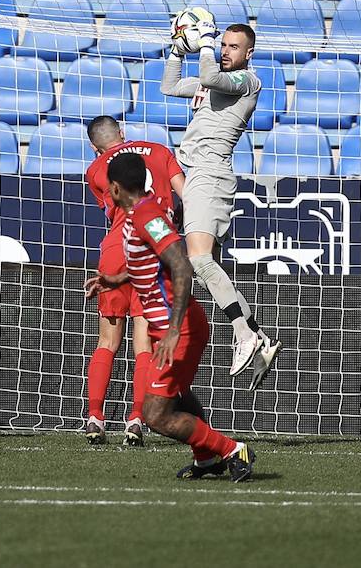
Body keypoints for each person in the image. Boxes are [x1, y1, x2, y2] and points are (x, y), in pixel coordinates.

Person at [95, 153, 254, 482]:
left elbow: (181, 263)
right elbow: (153, 262)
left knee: (154, 414)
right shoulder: (137, 214)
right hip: (171, 325)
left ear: (113, 188)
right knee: (177, 393)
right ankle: (207, 459)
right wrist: (117, 279)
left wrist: (171, 330)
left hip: (178, 326)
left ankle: (231, 449)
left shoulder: (145, 215)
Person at [160, 19, 281, 388]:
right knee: (204, 262)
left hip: (210, 174)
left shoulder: (247, 81)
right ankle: (258, 338)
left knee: (198, 260)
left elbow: (212, 78)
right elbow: (168, 86)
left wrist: (206, 43)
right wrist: (180, 51)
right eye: (223, 44)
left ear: (249, 54)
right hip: (199, 175)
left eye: (233, 46)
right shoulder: (213, 81)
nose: (226, 51)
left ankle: (244, 334)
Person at [81, 115, 185, 446]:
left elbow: (114, 210)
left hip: (117, 246)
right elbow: (187, 191)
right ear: (122, 133)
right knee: (144, 343)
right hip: (152, 246)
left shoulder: (96, 169)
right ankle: (136, 420)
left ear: (94, 146)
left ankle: (95, 418)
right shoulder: (160, 150)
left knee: (107, 341)